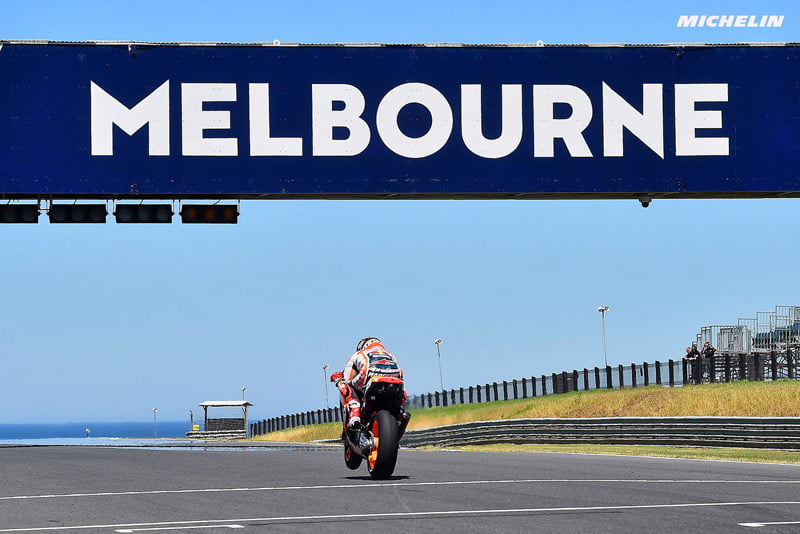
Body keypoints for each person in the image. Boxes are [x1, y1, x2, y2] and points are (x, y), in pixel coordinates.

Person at [330, 337, 407, 430]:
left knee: (348, 386)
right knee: (402, 393)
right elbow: (401, 373)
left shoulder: (358, 354)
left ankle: (355, 416)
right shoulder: (390, 355)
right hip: (393, 379)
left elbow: (348, 377)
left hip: (370, 377)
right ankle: (399, 416)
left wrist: (338, 379)